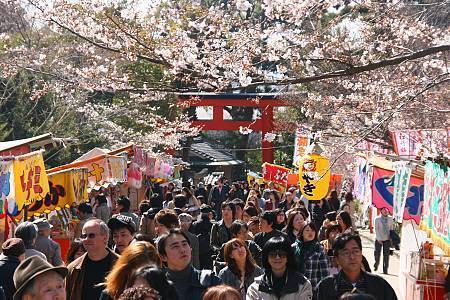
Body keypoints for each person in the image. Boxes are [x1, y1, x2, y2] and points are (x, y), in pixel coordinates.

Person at [314, 233, 397, 300]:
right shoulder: (325, 287)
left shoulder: (380, 285)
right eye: (346, 253)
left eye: (355, 251)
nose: (352, 257)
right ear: (336, 259)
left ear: (361, 255)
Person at [157, 229, 222, 300]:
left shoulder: (210, 281)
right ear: (163, 257)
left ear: (190, 248)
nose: (182, 250)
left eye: (185, 244)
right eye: (175, 246)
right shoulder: (157, 287)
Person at [66, 219, 119, 300]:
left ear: (105, 237)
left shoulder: (122, 264)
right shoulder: (73, 268)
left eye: (91, 235)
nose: (86, 239)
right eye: (84, 236)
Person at [246, 236, 313, 299]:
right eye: (272, 254)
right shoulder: (255, 287)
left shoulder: (303, 284)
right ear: (267, 258)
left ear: (288, 257)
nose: (277, 257)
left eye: (282, 254)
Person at [293, 222, 329, 288]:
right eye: (307, 230)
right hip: (295, 287)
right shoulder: (294, 248)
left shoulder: (319, 248)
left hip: (313, 287)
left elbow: (324, 273)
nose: (310, 233)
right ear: (302, 233)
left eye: (313, 230)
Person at [373, 207, 393, 274]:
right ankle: (376, 264)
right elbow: (376, 229)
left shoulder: (390, 218)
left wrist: (391, 237)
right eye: (383, 209)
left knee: (386, 255)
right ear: (381, 210)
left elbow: (391, 228)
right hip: (378, 238)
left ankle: (385, 269)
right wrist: (379, 239)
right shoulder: (377, 219)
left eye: (386, 209)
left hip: (387, 239)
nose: (385, 211)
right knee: (377, 254)